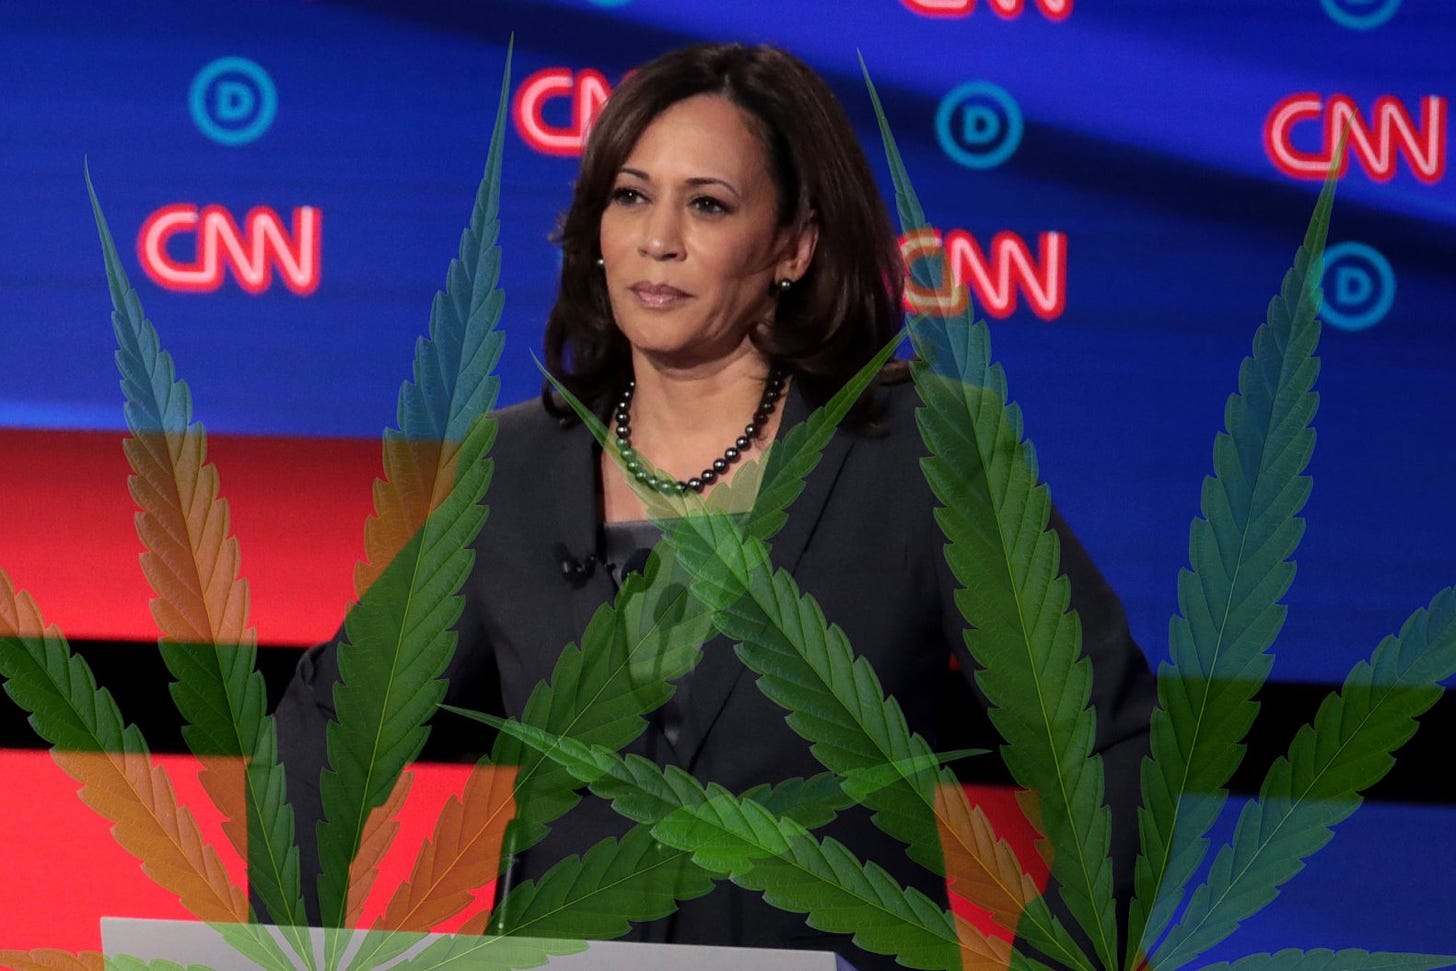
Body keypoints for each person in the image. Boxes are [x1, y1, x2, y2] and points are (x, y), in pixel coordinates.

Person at [275, 42, 1155, 970]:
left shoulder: (922, 454)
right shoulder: (518, 467)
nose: (659, 238)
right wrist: (296, 947)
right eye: (629, 195)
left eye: (708, 204)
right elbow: (333, 721)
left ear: (794, 246)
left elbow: (1114, 737)